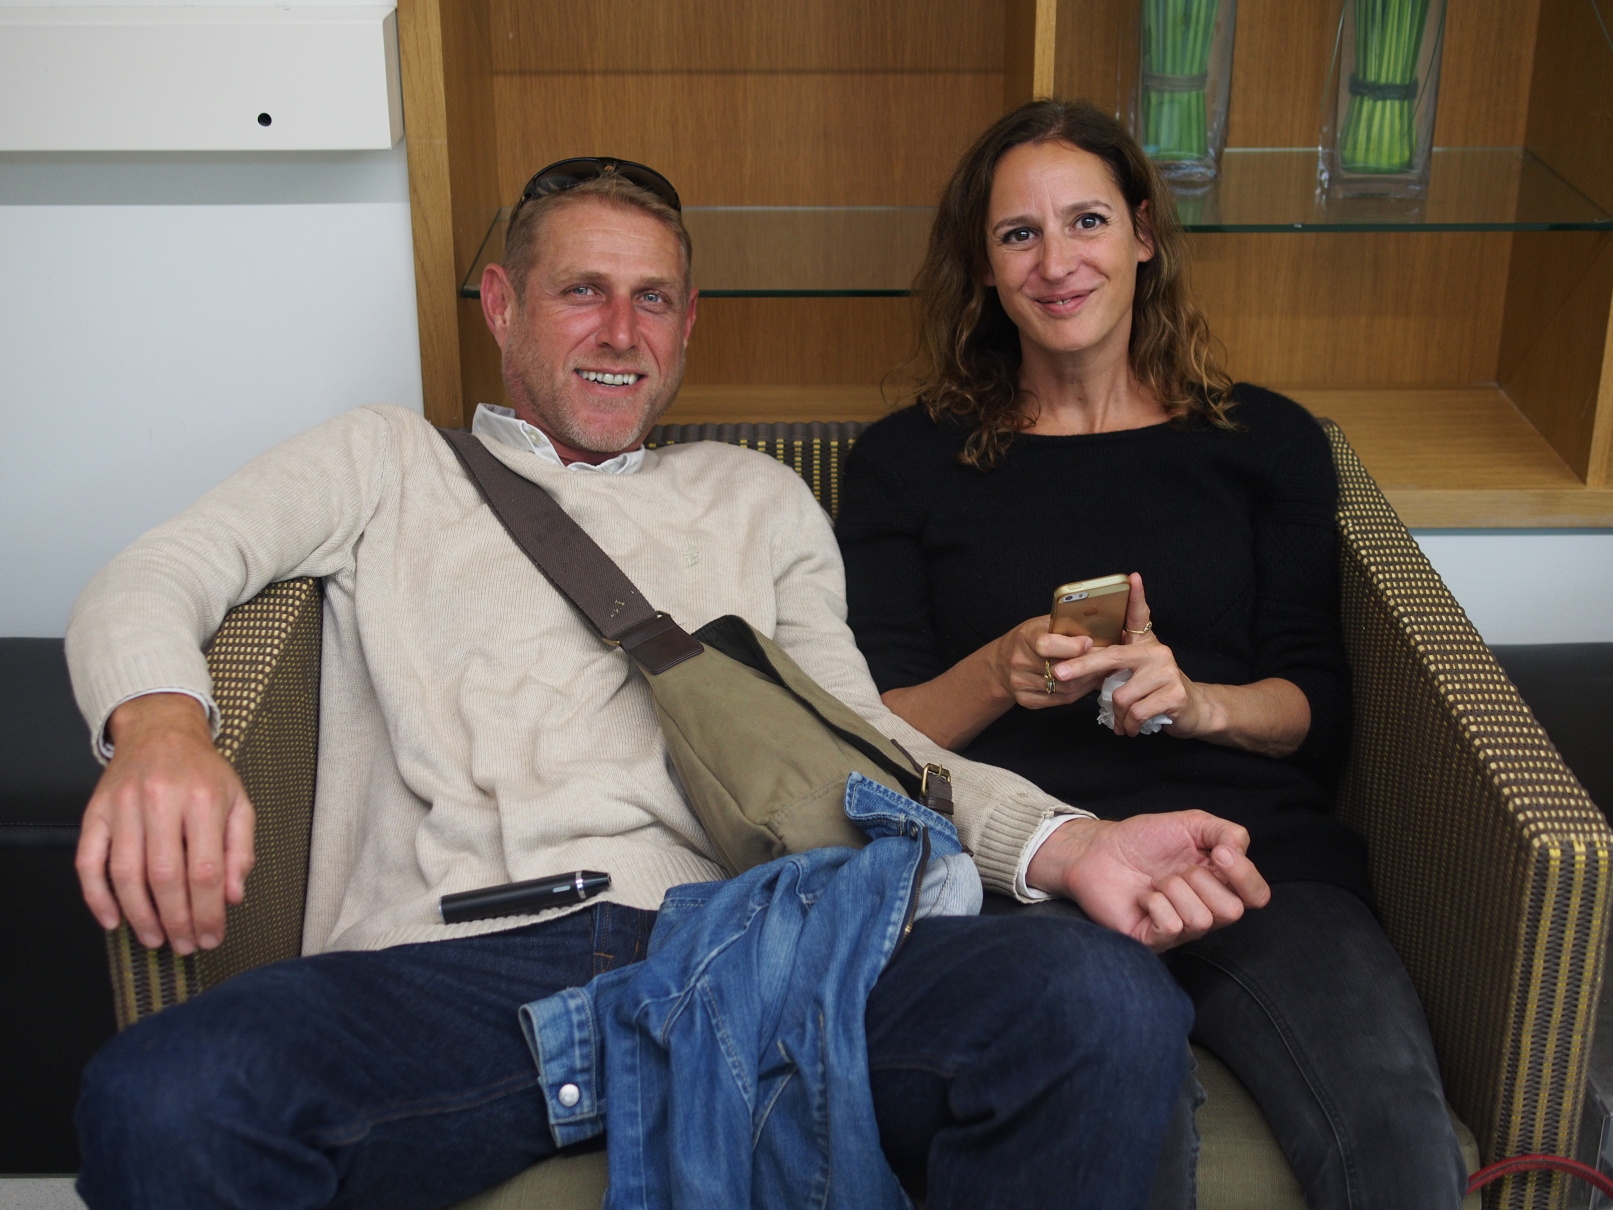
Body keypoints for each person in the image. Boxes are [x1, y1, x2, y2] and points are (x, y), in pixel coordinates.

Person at [66, 157, 1270, 1210]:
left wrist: (1069, 843)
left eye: (651, 300)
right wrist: (163, 729)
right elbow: (157, 572)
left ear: (687, 325)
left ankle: (669, 1055)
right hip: (460, 970)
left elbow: (866, 747)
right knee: (165, 1095)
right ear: (501, 305)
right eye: (581, 291)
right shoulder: (385, 462)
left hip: (752, 952)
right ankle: (636, 1063)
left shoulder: (756, 499)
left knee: (1097, 999)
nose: (619, 331)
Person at [835, 101, 1468, 1209]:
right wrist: (998, 671)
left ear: (1141, 233)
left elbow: (1315, 701)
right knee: (1120, 1117)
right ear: (982, 267)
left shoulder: (1264, 440)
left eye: (1085, 221)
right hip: (1034, 875)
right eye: (1018, 234)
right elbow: (873, 735)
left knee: (1392, 1125)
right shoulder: (905, 463)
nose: (1055, 263)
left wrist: (1199, 701)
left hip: (1254, 858)